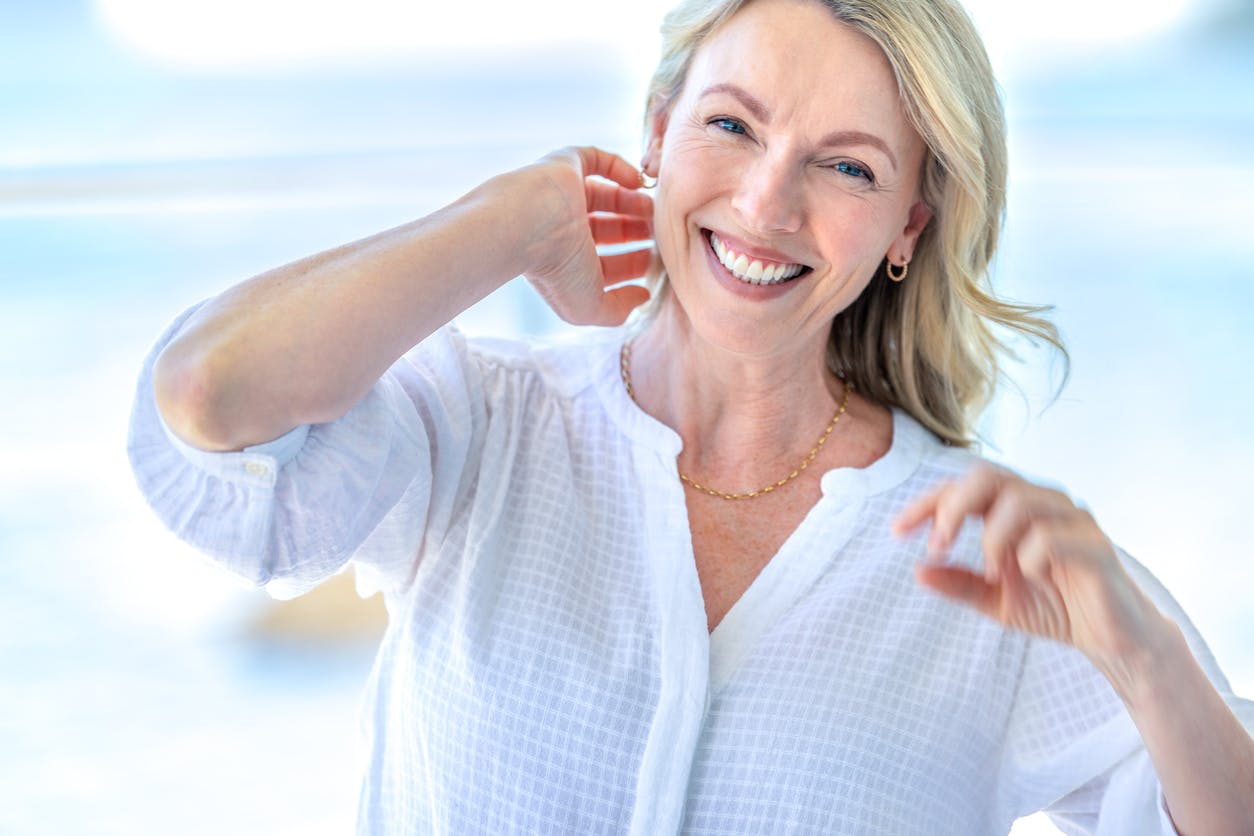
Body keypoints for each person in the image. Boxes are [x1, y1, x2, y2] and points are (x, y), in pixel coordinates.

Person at [127, 0, 1254, 832]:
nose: (768, 202)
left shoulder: (981, 555)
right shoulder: (480, 423)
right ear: (656, 133)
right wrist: (515, 217)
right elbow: (208, 399)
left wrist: (1146, 654)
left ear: (910, 225)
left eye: (848, 168)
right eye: (730, 125)